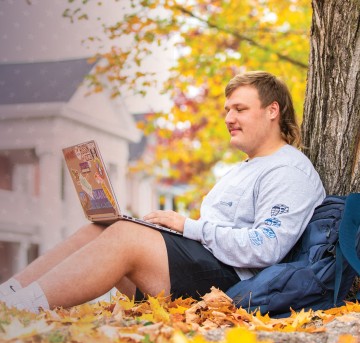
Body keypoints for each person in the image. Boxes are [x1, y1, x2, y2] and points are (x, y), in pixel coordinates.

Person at [0, 71, 326, 313]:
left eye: (239, 109)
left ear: (272, 111)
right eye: (227, 110)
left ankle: (21, 310)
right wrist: (166, 231)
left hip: (234, 285)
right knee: (102, 227)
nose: (229, 118)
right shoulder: (245, 167)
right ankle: (8, 295)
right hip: (207, 265)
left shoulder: (287, 170)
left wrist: (187, 226)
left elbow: (265, 248)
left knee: (125, 235)